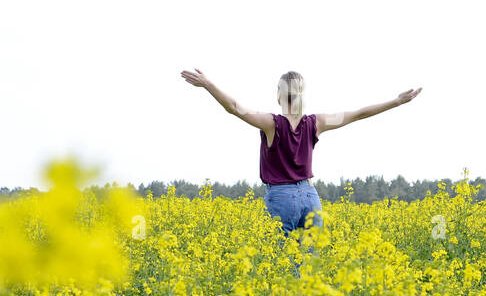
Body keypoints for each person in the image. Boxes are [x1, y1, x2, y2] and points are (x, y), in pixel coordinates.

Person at [179, 68, 422, 238]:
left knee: (281, 263)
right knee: (309, 268)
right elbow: (358, 114)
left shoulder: (270, 123)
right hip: (310, 197)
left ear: (280, 94)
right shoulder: (317, 123)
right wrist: (397, 102)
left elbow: (234, 108)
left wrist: (208, 84)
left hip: (282, 197)